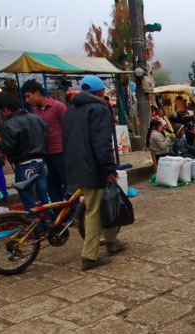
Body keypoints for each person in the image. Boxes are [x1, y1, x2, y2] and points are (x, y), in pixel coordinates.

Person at [62, 75, 127, 271]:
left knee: (106, 202)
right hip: (94, 168)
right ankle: (89, 256)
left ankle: (111, 241)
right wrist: (108, 169)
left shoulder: (71, 110)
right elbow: (102, 143)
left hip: (77, 166)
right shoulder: (99, 109)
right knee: (95, 211)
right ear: (100, 92)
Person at [0, 93, 50, 211]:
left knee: (27, 195)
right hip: (41, 162)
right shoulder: (36, 118)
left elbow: (8, 146)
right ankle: (50, 219)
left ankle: (37, 224)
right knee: (44, 193)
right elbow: (46, 137)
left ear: (5, 109)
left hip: (25, 164)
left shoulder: (10, 124)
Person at [21, 80, 70, 200]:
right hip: (46, 155)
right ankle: (58, 212)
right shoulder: (35, 112)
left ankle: (72, 213)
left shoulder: (58, 107)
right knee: (52, 186)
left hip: (61, 153)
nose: (27, 100)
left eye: (28, 96)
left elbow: (69, 128)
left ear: (37, 93)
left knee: (68, 184)